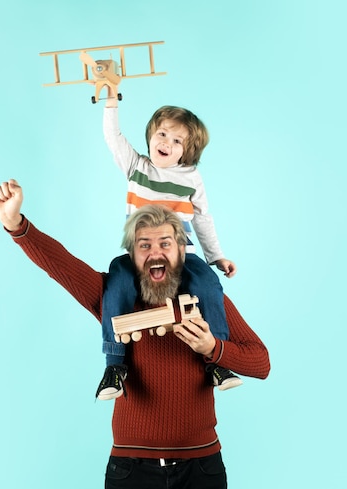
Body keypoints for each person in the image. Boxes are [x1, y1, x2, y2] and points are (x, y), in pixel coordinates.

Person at [0, 179, 271, 489]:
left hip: (201, 467)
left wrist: (213, 347)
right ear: (131, 254)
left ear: (182, 249)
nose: (155, 253)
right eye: (144, 245)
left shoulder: (208, 299)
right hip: (132, 469)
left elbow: (261, 363)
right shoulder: (113, 298)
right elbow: (62, 266)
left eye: (165, 243)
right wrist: (16, 225)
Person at [97, 87, 240, 400]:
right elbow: (113, 136)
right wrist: (111, 99)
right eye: (162, 134)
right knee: (117, 281)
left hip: (181, 258)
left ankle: (216, 361)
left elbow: (202, 218)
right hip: (138, 257)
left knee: (208, 285)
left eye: (178, 141)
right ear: (150, 135)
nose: (166, 143)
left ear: (186, 152)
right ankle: (115, 364)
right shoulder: (137, 166)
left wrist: (217, 257)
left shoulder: (191, 178)